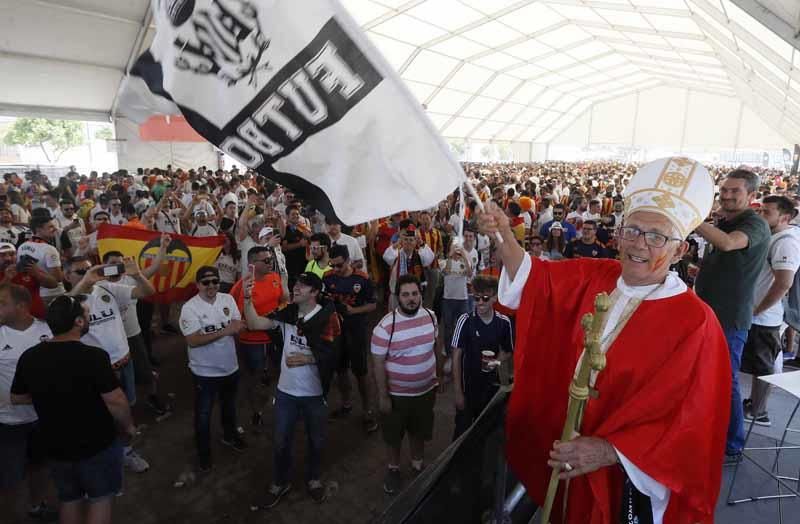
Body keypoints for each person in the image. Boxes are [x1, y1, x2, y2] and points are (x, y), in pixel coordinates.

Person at [479, 157, 731, 524]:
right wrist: (502, 234)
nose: (638, 244)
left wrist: (610, 451)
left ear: (680, 251)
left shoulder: (696, 324)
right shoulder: (597, 274)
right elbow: (538, 281)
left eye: (657, 236)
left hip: (624, 476)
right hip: (567, 448)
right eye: (632, 230)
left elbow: (692, 423)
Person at [11, 295, 136, 524]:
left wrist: (47, 395)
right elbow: (116, 401)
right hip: (95, 443)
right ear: (78, 322)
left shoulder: (29, 357)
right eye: (86, 314)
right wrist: (128, 427)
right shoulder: (93, 356)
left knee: (70, 500)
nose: (89, 318)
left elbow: (17, 398)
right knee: (100, 499)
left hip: (55, 445)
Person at [243, 272, 342, 506]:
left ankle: (314, 479)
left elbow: (334, 356)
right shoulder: (288, 313)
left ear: (315, 292)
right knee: (280, 441)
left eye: (303, 285)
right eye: (296, 283)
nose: (296, 288)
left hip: (314, 395)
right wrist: (247, 300)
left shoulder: (329, 319)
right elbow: (255, 323)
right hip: (286, 392)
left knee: (316, 441)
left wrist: (308, 359)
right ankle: (279, 482)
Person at [694, 169, 771, 463]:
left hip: (729, 319)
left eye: (734, 191)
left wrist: (692, 219)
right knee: (708, 378)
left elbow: (728, 243)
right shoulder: (725, 221)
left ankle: (733, 445)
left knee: (726, 381)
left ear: (751, 196)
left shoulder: (755, 224)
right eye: (723, 190)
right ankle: (710, 433)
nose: (726, 195)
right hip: (709, 313)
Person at [65, 255, 155, 473]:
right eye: (81, 271)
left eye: (90, 268)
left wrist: (136, 275)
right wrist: (85, 283)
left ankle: (125, 450)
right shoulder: (67, 300)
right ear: (66, 276)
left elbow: (147, 292)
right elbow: (62, 315)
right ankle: (106, 459)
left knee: (127, 409)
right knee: (100, 418)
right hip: (95, 372)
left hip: (124, 363)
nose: (89, 273)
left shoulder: (108, 288)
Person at [371, 275, 442, 496]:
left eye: (414, 294)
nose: (411, 299)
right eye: (405, 295)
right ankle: (393, 469)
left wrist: (438, 375)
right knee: (394, 434)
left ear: (420, 295)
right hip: (396, 395)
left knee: (419, 431)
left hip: (425, 391)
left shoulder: (431, 317)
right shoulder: (385, 326)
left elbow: (436, 347)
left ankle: (417, 464)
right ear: (397, 297)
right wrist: (383, 396)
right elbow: (378, 364)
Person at [179, 266, 247, 472]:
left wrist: (233, 328)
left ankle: (229, 436)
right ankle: (204, 455)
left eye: (215, 281)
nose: (211, 286)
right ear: (197, 285)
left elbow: (237, 321)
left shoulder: (227, 299)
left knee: (229, 406)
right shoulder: (190, 308)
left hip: (230, 366)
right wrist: (226, 330)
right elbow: (193, 340)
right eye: (206, 282)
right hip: (205, 373)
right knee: (203, 415)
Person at [0, 284, 57, 523]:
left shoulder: (48, 331)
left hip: (42, 418)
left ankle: (36, 506)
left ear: (21, 307)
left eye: (2, 303)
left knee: (40, 466)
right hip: (8, 422)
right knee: (9, 479)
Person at [742, 195, 800, 426]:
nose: (760, 215)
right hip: (757, 313)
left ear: (784, 217)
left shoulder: (786, 242)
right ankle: (754, 405)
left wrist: (757, 310)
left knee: (763, 367)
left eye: (767, 212)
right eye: (760, 210)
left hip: (764, 317)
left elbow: (784, 282)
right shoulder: (775, 236)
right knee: (759, 365)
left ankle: (759, 412)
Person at [102, 246, 171, 418]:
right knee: (115, 378)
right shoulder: (97, 285)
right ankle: (123, 409)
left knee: (145, 370)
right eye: (112, 264)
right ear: (104, 266)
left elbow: (155, 266)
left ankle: (152, 397)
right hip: (111, 340)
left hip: (133, 335)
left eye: (120, 263)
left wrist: (163, 247)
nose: (117, 267)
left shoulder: (130, 279)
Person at [229, 246, 288, 428]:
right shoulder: (243, 285)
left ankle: (275, 401)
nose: (271, 263)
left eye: (271, 259)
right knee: (254, 377)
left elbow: (283, 301)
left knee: (278, 371)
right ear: (252, 264)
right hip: (253, 341)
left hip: (275, 337)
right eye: (266, 260)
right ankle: (256, 411)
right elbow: (236, 317)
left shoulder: (275, 278)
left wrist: (280, 309)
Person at [451, 275, 513, 440]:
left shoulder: (503, 322)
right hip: (468, 388)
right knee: (461, 433)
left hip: (491, 389)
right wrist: (458, 391)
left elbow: (507, 351)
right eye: (476, 298)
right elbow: (456, 356)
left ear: (494, 298)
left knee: (488, 432)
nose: (479, 303)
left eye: (485, 298)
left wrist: (496, 362)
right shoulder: (465, 321)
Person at [324, 245, 378, 431]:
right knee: (340, 370)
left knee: (361, 372)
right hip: (336, 332)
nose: (336, 269)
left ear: (348, 260)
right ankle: (346, 404)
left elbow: (372, 305)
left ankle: (368, 411)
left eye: (339, 265)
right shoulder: (328, 277)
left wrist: (354, 311)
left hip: (356, 332)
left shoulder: (361, 279)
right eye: (333, 265)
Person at [383, 224, 435, 311]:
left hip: (414, 296)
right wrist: (397, 244)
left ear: (415, 242)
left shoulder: (419, 255)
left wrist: (421, 243)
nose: (408, 242)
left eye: (411, 240)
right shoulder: (396, 254)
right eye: (406, 240)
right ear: (401, 242)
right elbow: (386, 257)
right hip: (397, 295)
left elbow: (429, 258)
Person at [18, 213, 65, 306]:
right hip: (53, 294)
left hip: (33, 293)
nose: (55, 229)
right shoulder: (49, 249)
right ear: (38, 229)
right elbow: (58, 279)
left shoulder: (22, 246)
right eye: (50, 227)